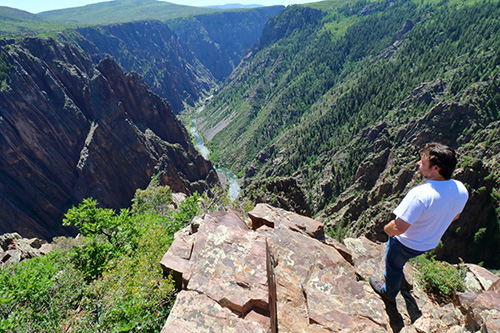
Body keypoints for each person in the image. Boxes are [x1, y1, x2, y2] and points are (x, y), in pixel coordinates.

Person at [369, 142, 469, 304]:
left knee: (393, 266)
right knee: (402, 261)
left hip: (405, 243)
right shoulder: (461, 189)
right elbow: (455, 216)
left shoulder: (420, 194)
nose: (418, 163)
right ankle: (401, 278)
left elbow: (398, 228)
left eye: (423, 162)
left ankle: (389, 291)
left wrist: (387, 230)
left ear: (436, 168)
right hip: (429, 243)